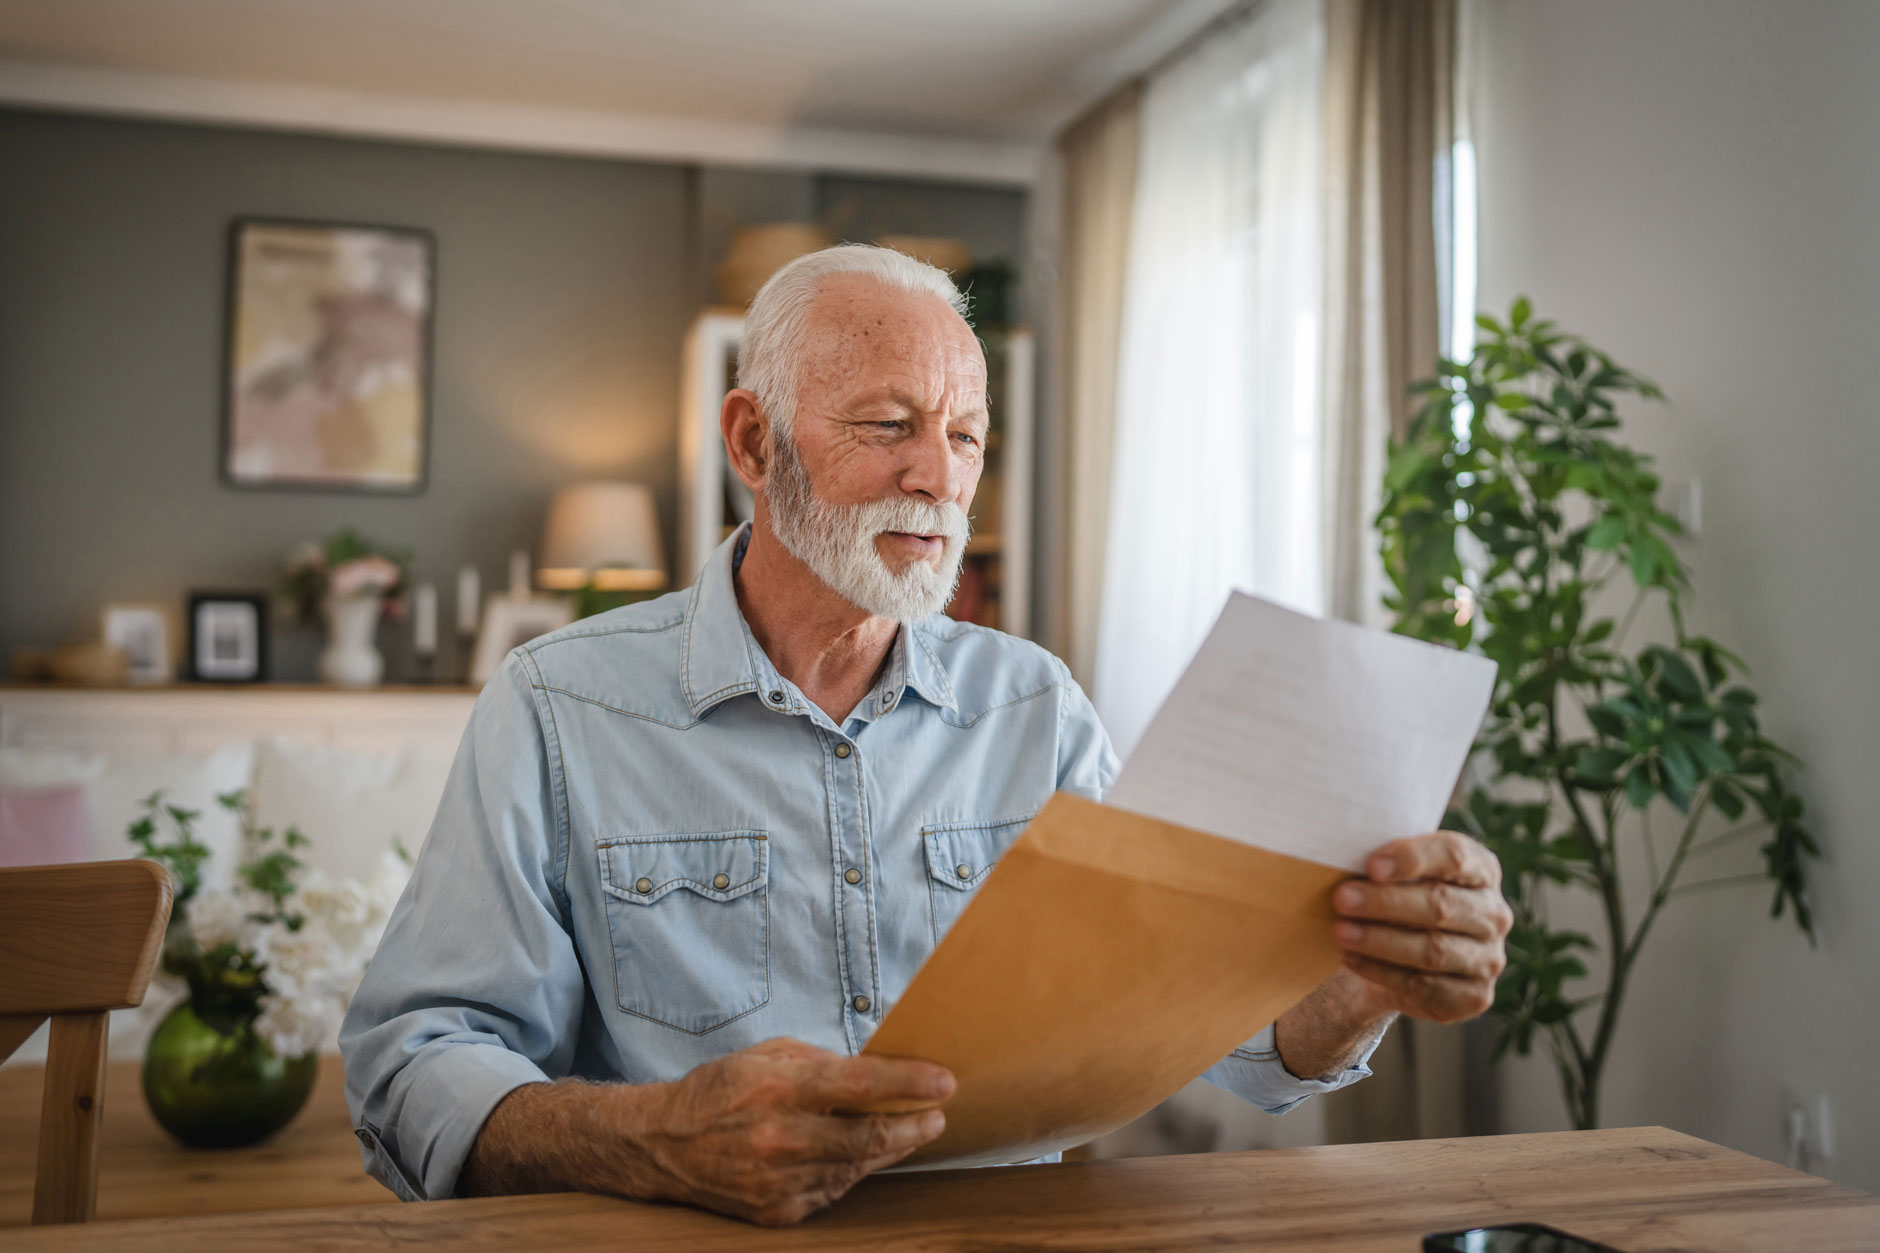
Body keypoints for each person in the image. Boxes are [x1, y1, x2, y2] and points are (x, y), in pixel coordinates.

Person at [339, 245, 1512, 1227]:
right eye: (889, 423)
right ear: (754, 445)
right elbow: (412, 1062)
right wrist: (651, 1135)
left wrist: (1359, 976)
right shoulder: (557, 704)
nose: (937, 478)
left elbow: (1222, 1049)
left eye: (964, 436)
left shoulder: (1034, 705)